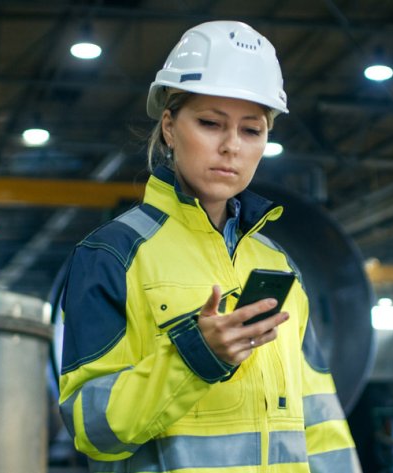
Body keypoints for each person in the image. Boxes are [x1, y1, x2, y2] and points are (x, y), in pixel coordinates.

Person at [58, 20, 362, 473]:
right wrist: (193, 357)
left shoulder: (278, 264)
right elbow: (91, 429)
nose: (231, 147)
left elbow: (320, 419)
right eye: (209, 123)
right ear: (169, 128)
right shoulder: (112, 256)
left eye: (251, 130)